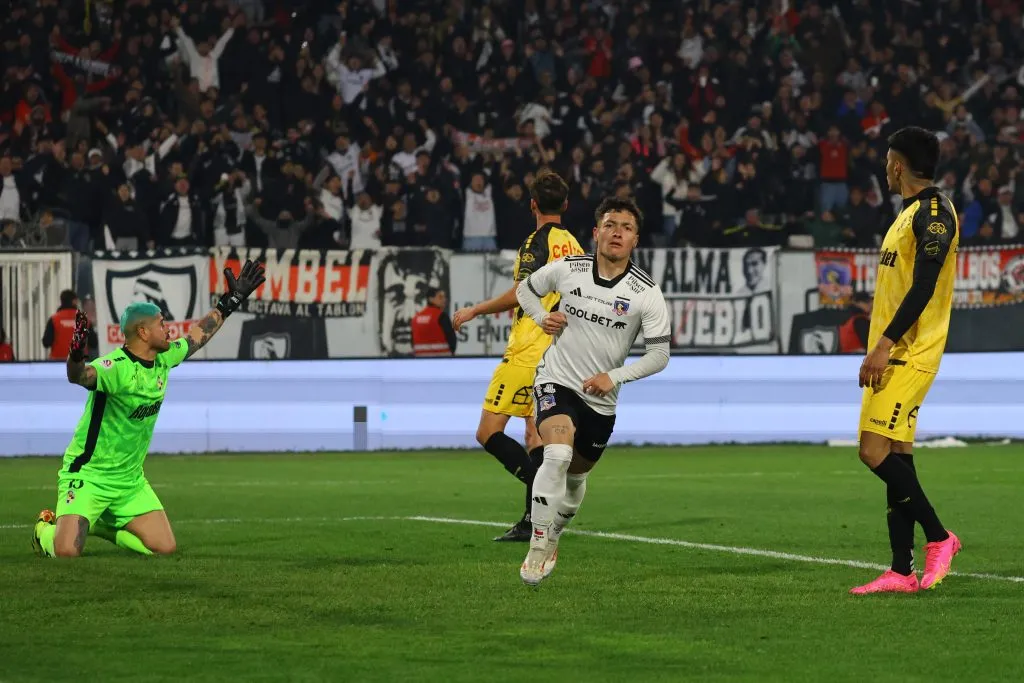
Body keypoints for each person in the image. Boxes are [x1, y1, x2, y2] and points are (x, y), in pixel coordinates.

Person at [31, 259, 266, 558]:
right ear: (143, 332)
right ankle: (44, 529)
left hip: (129, 481)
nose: (168, 330)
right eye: (161, 324)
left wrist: (229, 302)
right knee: (66, 552)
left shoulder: (164, 359)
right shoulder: (115, 367)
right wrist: (76, 356)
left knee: (165, 548)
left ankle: (98, 525)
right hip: (89, 475)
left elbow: (197, 335)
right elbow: (79, 376)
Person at [514, 196, 671, 585]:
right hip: (556, 379)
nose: (618, 233)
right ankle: (537, 544)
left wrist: (614, 377)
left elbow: (660, 355)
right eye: (611, 225)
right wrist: (541, 316)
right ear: (597, 232)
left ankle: (554, 534)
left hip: (601, 400)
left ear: (635, 239)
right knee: (557, 453)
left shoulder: (646, 292)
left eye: (627, 228)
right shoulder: (569, 268)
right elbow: (524, 289)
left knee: (575, 478)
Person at [850, 127, 961, 595]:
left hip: (910, 353)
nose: (884, 169)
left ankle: (939, 537)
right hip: (894, 352)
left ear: (898, 165)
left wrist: (884, 344)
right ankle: (900, 570)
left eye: (886, 162)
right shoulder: (908, 213)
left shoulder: (934, 213)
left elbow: (925, 286)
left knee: (871, 450)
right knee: (897, 455)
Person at [452, 170, 584, 542]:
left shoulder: (535, 242)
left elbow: (520, 293)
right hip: (559, 353)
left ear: (533, 205)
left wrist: (475, 310)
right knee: (534, 435)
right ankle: (531, 522)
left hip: (528, 350)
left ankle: (540, 485)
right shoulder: (575, 246)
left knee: (487, 432)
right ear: (566, 204)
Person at [411, 287, 457, 357]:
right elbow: (451, 339)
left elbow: (412, 341)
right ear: (431, 299)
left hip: (420, 359)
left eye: (444, 297)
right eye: (440, 297)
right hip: (442, 359)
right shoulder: (441, 316)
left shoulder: (416, 318)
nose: (444, 299)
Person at [42, 289, 80, 360]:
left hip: (58, 362)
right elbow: (93, 343)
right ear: (74, 301)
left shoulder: (54, 319)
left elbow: (46, 342)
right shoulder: (84, 320)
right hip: (79, 362)